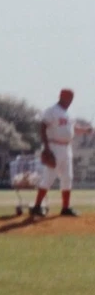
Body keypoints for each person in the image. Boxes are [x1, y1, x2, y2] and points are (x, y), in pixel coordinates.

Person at [31, 89, 90, 217]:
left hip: (66, 148)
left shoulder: (68, 113)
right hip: (54, 146)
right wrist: (46, 148)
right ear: (61, 96)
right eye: (68, 97)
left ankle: (65, 208)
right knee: (49, 177)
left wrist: (85, 130)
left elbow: (72, 128)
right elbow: (43, 126)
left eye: (71, 97)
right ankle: (37, 206)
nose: (70, 100)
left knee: (67, 177)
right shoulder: (52, 110)